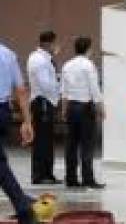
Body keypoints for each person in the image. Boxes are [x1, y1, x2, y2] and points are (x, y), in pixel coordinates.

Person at [60, 37, 105, 189]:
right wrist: (100, 107)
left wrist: (64, 110)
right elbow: (94, 89)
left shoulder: (67, 65)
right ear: (88, 49)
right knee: (87, 145)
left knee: (71, 145)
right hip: (85, 108)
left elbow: (64, 91)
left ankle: (71, 178)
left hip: (71, 107)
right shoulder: (88, 65)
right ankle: (88, 178)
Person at [0, 41, 36, 223]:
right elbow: (21, 90)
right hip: (3, 111)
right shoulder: (8, 54)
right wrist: (27, 121)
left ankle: (24, 208)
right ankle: (22, 203)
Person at [26, 31, 60, 185]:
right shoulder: (38, 60)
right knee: (41, 140)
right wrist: (59, 87)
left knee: (47, 139)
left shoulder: (45, 59)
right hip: (43, 102)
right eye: (54, 43)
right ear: (47, 43)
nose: (55, 46)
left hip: (46, 101)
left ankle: (48, 173)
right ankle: (39, 175)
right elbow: (45, 84)